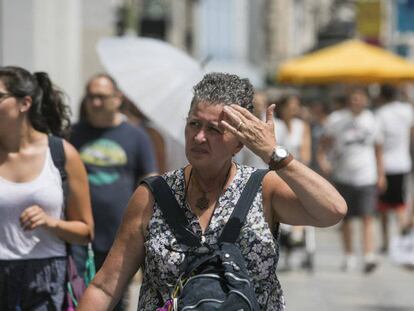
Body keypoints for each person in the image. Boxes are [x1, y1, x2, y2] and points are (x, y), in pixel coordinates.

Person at [77, 72, 347, 311]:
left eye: (214, 129)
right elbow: (106, 287)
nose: (199, 137)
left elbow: (332, 210)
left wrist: (274, 155)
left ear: (240, 144)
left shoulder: (263, 189)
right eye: (194, 124)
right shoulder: (153, 195)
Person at [0, 66, 94, 309]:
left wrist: (50, 222)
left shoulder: (61, 154)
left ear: (25, 103)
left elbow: (86, 231)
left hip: (48, 277)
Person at [70, 73, 158, 310]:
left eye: (101, 96)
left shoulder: (136, 136)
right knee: (78, 298)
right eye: (91, 97)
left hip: (121, 236)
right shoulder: (71, 135)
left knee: (115, 301)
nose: (95, 102)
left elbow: (149, 181)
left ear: (117, 98)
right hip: (79, 236)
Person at [317, 87, 385, 273]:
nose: (357, 102)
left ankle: (369, 255)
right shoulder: (337, 119)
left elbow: (379, 149)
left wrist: (381, 174)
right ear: (349, 100)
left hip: (367, 175)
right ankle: (349, 255)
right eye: (354, 98)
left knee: (368, 217)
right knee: (345, 218)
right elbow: (324, 143)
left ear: (366, 101)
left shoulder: (373, 120)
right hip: (343, 175)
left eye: (360, 99)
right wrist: (323, 160)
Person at [375, 84, 414, 253]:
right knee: (400, 205)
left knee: (383, 207)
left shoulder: (380, 114)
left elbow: (378, 143)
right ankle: (400, 241)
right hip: (403, 163)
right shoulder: (407, 110)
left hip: (385, 165)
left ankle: (385, 242)